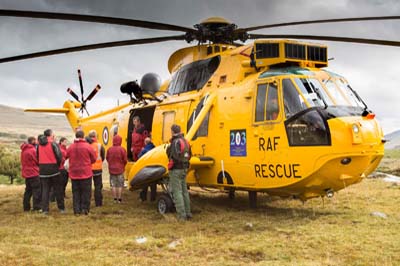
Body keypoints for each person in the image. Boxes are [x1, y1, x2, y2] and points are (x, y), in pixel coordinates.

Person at [66, 130, 97, 215]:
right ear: (83, 136)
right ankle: (85, 209)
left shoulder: (71, 147)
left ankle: (76, 210)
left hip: (74, 173)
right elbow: (94, 158)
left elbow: (65, 156)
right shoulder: (87, 146)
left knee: (76, 192)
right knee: (86, 192)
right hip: (86, 173)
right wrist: (88, 163)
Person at [166, 124, 192, 221]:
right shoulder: (186, 141)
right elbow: (190, 155)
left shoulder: (175, 142)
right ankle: (188, 212)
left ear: (172, 131)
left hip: (176, 169)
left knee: (177, 192)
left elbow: (173, 156)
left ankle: (181, 215)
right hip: (184, 169)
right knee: (184, 191)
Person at [37, 129, 64, 214]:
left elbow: (37, 157)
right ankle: (61, 208)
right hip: (53, 169)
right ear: (51, 135)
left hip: (42, 170)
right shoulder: (53, 144)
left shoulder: (39, 145)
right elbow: (59, 156)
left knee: (45, 190)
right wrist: (58, 165)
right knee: (57, 189)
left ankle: (45, 209)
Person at [20, 136, 41, 212]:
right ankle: (37, 207)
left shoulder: (23, 150)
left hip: (26, 173)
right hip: (34, 172)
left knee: (28, 191)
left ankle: (26, 207)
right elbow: (37, 160)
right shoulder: (32, 150)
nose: (36, 141)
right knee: (36, 190)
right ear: (32, 141)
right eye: (35, 140)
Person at [106, 134, 127, 203]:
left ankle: (115, 199)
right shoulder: (122, 149)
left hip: (112, 169)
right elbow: (125, 160)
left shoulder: (109, 149)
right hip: (120, 169)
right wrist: (123, 165)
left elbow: (107, 158)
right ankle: (119, 199)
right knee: (120, 185)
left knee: (113, 184)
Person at [88, 130, 105, 207]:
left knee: (88, 186)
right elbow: (103, 156)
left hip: (88, 168)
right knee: (98, 186)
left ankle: (87, 202)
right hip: (98, 168)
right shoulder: (99, 145)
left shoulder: (87, 145)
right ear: (96, 136)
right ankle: (98, 203)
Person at [138, 137, 156, 202]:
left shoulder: (144, 150)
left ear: (145, 142)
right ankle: (153, 198)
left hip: (146, 169)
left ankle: (143, 198)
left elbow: (139, 157)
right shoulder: (155, 148)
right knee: (153, 185)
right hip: (154, 169)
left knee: (145, 184)